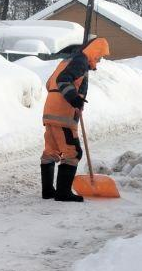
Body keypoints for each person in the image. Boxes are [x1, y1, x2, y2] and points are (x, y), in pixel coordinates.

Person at [41, 37, 111, 202]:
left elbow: (49, 83)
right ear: (94, 51)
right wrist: (74, 98)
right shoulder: (80, 61)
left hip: (50, 112)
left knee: (50, 152)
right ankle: (63, 193)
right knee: (73, 152)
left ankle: (48, 191)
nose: (99, 61)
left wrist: (61, 98)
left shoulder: (66, 61)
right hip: (63, 114)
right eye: (100, 56)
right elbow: (63, 80)